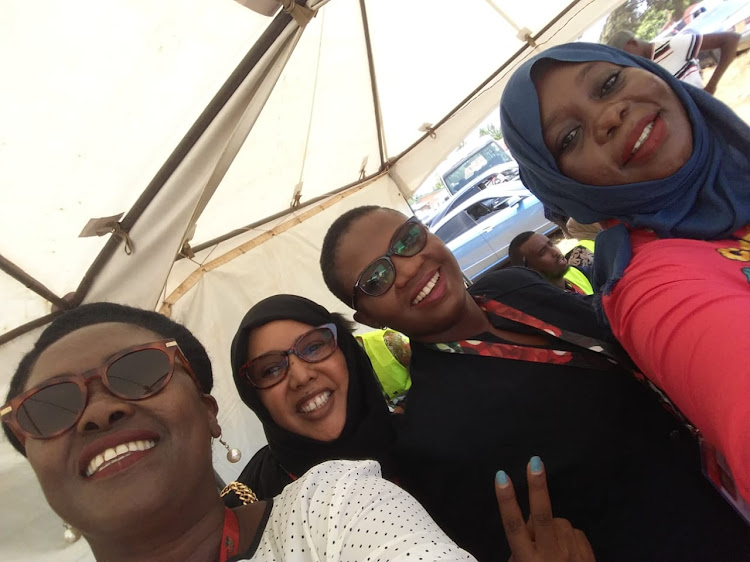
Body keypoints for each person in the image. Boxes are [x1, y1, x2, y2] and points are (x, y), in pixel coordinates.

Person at [319, 206, 750, 561]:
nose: (410, 268)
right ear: (369, 319)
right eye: (377, 279)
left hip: (729, 457)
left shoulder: (514, 285)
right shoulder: (431, 436)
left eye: (407, 239)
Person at [0, 302, 484, 561]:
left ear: (210, 413)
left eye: (140, 371)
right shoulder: (261, 480)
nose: (97, 412)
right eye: (49, 408)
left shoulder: (332, 512)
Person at [499, 42, 750, 508]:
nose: (608, 117)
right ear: (566, 185)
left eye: (609, 83)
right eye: (568, 138)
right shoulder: (651, 290)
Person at [228, 294, 399, 500]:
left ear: (346, 352)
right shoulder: (251, 505)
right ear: (255, 399)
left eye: (313, 347)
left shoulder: (431, 439)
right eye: (271, 370)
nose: (301, 377)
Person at [607, 28, 739, 94]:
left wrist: (711, 86)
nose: (626, 60)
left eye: (625, 54)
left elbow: (731, 39)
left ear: (632, 43)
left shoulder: (671, 46)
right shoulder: (646, 67)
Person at [508, 231, 594, 294]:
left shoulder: (574, 271)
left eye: (551, 244)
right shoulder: (547, 309)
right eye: (543, 252)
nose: (555, 252)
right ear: (529, 269)